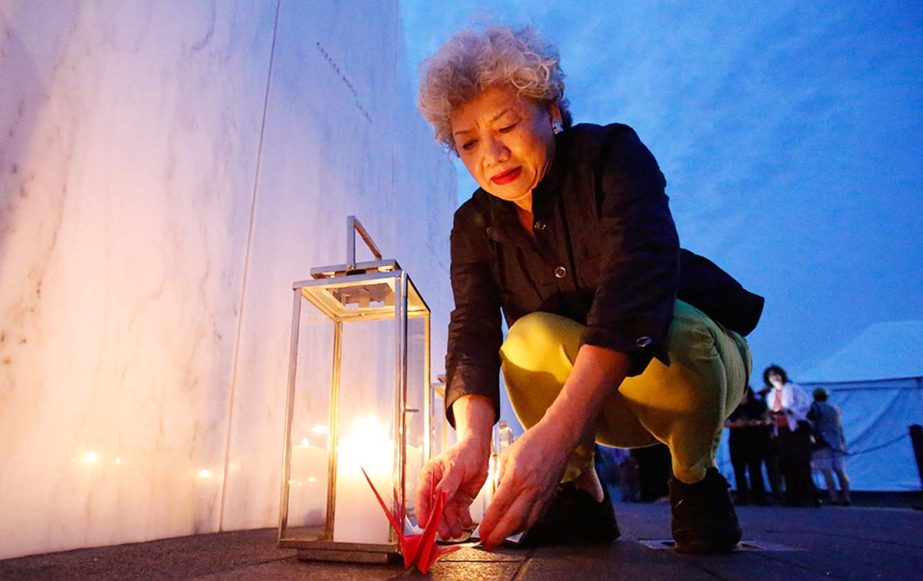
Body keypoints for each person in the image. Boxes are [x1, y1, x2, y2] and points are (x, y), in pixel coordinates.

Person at [413, 26, 764, 554]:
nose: (493, 155)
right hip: (596, 408)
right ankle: (582, 494)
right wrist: (471, 442)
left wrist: (553, 437)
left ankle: (695, 479)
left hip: (689, 371)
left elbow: (635, 283)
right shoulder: (473, 225)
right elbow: (474, 328)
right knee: (525, 338)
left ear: (552, 112)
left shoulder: (611, 156)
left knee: (679, 325)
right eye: (468, 142)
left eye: (506, 125)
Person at [764, 365, 816, 506]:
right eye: (771, 376)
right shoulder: (771, 395)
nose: (774, 378)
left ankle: (808, 497)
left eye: (776, 374)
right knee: (786, 464)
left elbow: (805, 405)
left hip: (797, 430)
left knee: (800, 463)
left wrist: (788, 410)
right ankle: (792, 497)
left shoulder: (793, 389)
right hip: (781, 431)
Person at [724, 386, 771, 505]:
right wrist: (736, 424)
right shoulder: (731, 406)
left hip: (754, 440)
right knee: (739, 470)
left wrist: (757, 422)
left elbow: (767, 419)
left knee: (755, 469)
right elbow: (724, 422)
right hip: (737, 441)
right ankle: (742, 497)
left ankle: (759, 497)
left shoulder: (757, 404)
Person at [808, 388, 851, 505]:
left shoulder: (814, 408)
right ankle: (846, 497)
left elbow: (812, 425)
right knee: (841, 471)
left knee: (826, 472)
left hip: (822, 443)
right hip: (837, 443)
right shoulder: (835, 409)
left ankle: (834, 497)